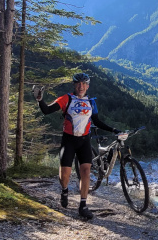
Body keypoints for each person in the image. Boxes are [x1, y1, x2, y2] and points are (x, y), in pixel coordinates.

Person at [33, 73, 121, 220]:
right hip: (69, 140)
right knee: (65, 175)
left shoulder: (91, 102)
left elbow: (96, 121)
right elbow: (47, 110)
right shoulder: (66, 99)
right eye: (78, 84)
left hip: (84, 141)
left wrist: (113, 129)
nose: (81, 86)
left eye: (84, 84)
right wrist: (40, 100)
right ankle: (64, 190)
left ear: (88, 86)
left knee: (86, 172)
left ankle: (83, 205)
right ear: (74, 85)